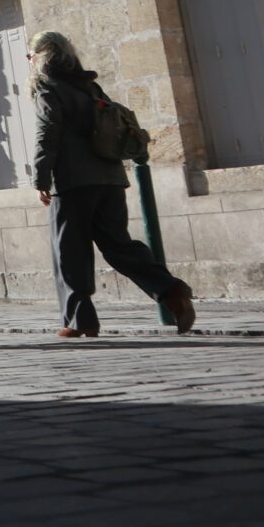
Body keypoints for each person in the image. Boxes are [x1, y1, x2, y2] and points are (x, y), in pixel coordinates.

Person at [29, 30, 195, 337]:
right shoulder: (90, 86)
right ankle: (171, 291)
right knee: (119, 245)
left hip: (73, 182)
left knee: (69, 251)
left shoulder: (47, 88)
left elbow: (46, 133)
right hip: (110, 178)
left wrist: (40, 178)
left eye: (31, 56)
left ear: (40, 57)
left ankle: (81, 320)